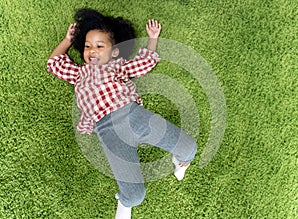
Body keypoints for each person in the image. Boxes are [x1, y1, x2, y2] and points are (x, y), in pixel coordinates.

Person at [47, 8, 197, 219]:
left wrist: (153, 39)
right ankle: (125, 204)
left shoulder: (118, 67)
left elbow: (145, 62)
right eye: (88, 46)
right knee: (135, 196)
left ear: (115, 52)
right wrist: (67, 40)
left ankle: (179, 162)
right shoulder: (79, 73)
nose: (92, 51)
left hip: (133, 116)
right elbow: (53, 63)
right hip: (108, 131)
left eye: (100, 46)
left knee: (189, 148)